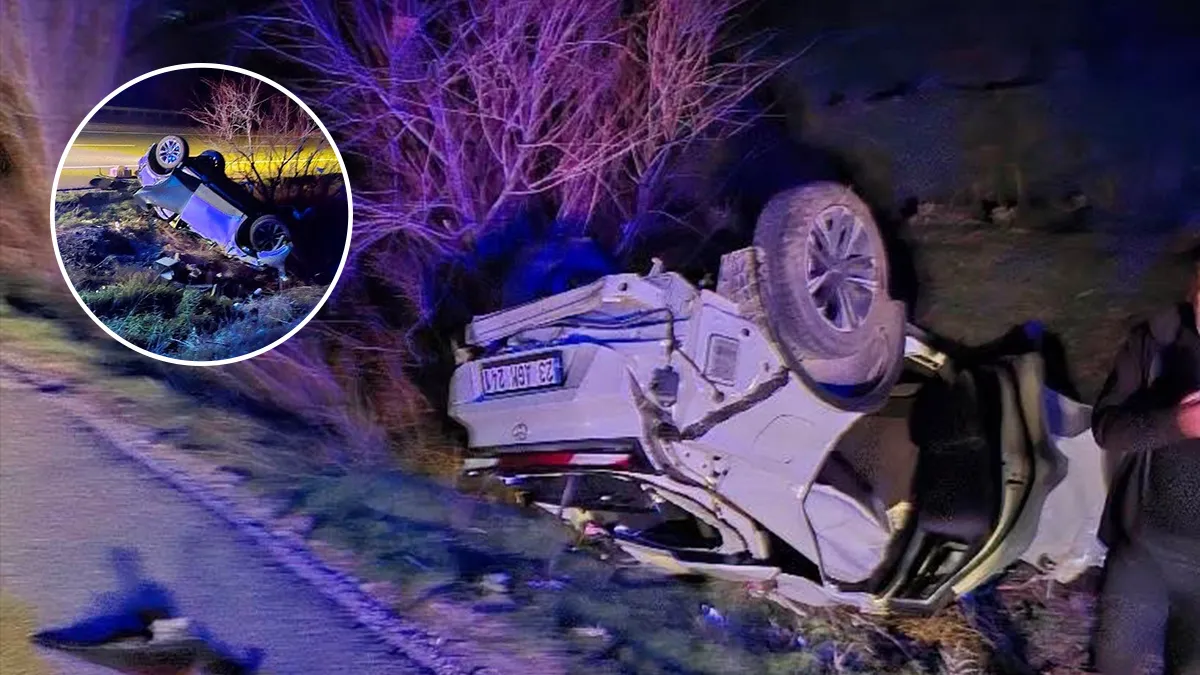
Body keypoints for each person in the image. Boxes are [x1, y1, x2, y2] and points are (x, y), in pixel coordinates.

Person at [1091, 247, 1200, 674]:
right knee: (1112, 664)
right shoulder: (1155, 341)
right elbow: (1107, 429)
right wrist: (1174, 423)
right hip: (1144, 552)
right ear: (1192, 286)